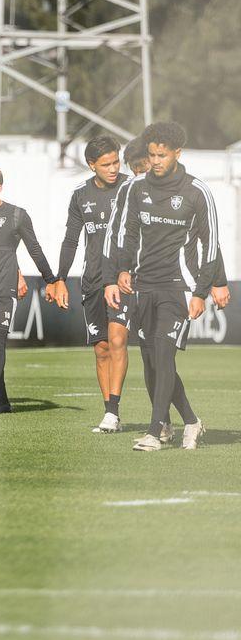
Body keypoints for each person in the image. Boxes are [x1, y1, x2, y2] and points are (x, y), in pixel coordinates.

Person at [105, 122, 221, 451]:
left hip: (179, 287)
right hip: (142, 285)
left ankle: (155, 432)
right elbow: (125, 233)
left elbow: (211, 246)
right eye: (152, 155)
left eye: (162, 155)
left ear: (177, 153)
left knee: (163, 350)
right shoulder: (135, 188)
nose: (156, 161)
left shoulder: (197, 191)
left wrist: (201, 291)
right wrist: (121, 270)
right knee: (152, 360)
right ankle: (190, 422)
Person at [46, 136, 131, 433]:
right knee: (102, 348)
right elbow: (71, 239)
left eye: (116, 162)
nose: (112, 168)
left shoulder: (131, 189)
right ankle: (112, 415)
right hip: (92, 280)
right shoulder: (80, 195)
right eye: (105, 164)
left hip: (126, 280)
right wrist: (60, 278)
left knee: (119, 339)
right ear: (91, 165)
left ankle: (112, 412)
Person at [0, 165, 57, 413]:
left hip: (4, 290)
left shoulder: (17, 215)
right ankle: (3, 402)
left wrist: (51, 279)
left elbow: (34, 249)